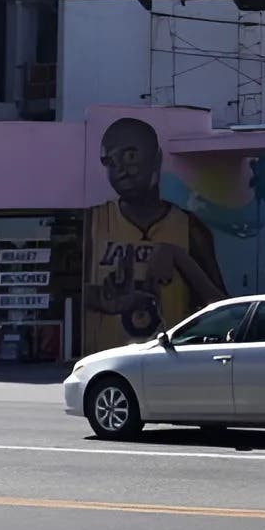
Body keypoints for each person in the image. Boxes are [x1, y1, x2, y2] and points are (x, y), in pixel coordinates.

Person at [77, 116, 226, 354]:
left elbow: (222, 308)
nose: (120, 171)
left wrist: (178, 258)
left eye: (130, 156)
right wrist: (101, 298)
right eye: (110, 162)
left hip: (169, 358)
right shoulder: (93, 222)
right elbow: (61, 292)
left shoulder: (189, 227)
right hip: (106, 359)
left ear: (156, 158)